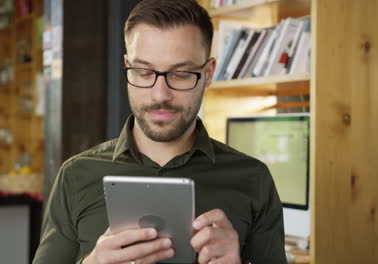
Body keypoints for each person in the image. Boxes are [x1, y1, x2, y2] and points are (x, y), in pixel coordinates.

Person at [32, 0, 287, 263]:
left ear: (208, 73)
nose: (160, 94)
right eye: (144, 72)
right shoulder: (75, 175)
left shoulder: (253, 180)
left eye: (181, 73)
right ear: (127, 66)